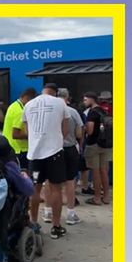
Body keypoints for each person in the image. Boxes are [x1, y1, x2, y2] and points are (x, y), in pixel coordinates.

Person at [21, 83, 69, 240]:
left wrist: (36, 140)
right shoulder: (60, 103)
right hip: (54, 153)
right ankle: (56, 226)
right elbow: (65, 129)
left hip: (35, 155)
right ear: (55, 92)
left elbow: (27, 131)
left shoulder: (28, 105)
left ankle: (34, 223)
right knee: (56, 189)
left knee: (35, 189)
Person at [58, 88, 85, 225]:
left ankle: (48, 212)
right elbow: (79, 134)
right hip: (69, 149)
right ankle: (70, 213)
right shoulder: (73, 112)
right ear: (67, 97)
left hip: (53, 149)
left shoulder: (51, 111)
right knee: (70, 181)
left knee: (52, 182)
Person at [82, 92, 111, 206]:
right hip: (105, 144)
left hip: (94, 144)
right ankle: (106, 197)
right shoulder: (103, 111)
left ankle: (97, 197)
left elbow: (90, 131)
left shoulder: (92, 112)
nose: (84, 102)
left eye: (85, 100)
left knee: (95, 172)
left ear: (91, 99)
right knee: (104, 170)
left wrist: (84, 129)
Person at [5, 88, 36, 169]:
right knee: (24, 174)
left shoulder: (13, 105)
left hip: (11, 147)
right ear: (27, 98)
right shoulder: (20, 111)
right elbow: (15, 134)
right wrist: (32, 134)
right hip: (19, 150)